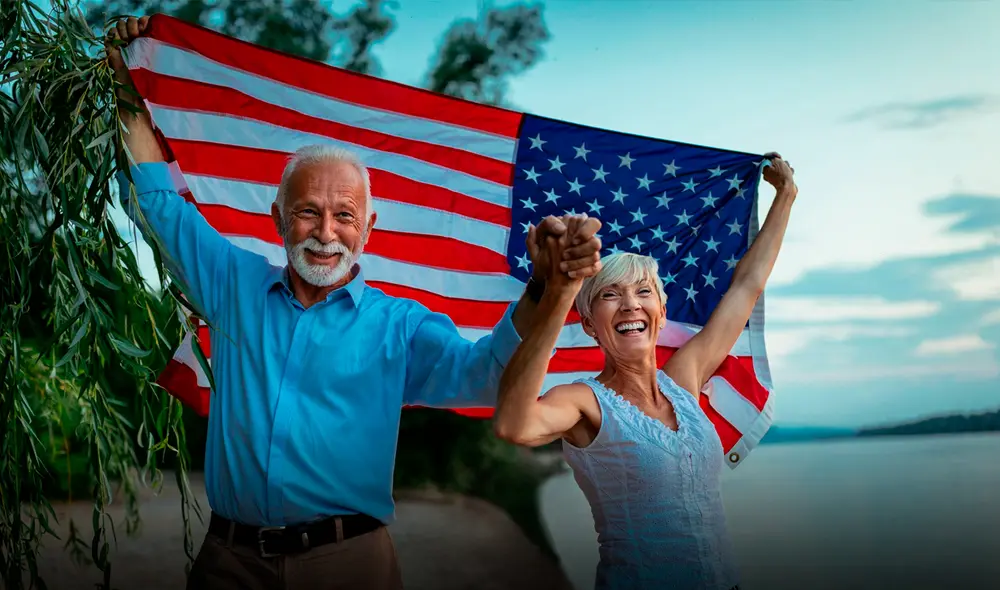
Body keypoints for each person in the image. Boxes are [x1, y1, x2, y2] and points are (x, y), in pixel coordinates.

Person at [106, 16, 603, 590]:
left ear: (366, 228)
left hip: (347, 565)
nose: (325, 230)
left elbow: (488, 377)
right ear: (278, 221)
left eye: (344, 215)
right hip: (229, 562)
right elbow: (163, 204)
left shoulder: (400, 328)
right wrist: (127, 81)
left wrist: (541, 292)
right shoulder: (233, 284)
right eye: (307, 211)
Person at [492, 155, 797, 590]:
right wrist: (559, 296)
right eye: (610, 295)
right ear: (590, 323)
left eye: (643, 292)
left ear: (661, 310)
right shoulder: (583, 402)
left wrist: (785, 196)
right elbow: (513, 423)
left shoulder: (685, 380)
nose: (631, 303)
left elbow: (747, 285)